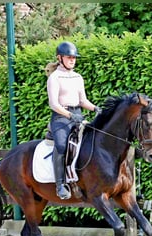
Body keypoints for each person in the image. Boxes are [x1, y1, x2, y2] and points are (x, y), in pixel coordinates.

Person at [47, 41, 101, 200]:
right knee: (62, 145)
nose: (72, 60)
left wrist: (96, 109)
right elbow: (54, 104)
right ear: (60, 58)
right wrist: (70, 116)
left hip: (77, 114)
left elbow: (83, 101)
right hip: (61, 118)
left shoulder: (78, 77)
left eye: (74, 58)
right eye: (69, 57)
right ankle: (60, 185)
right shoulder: (54, 77)